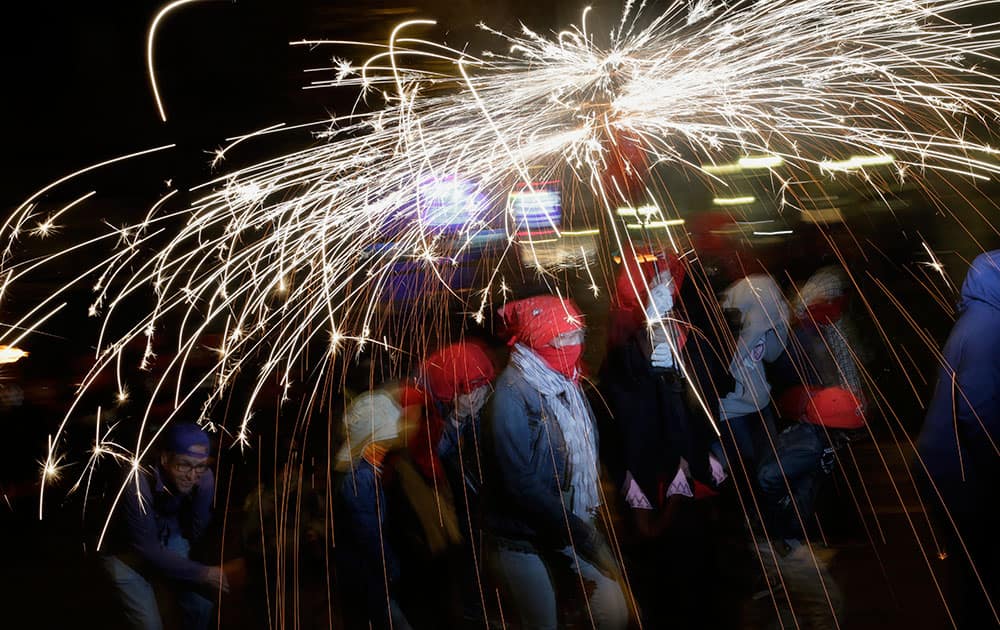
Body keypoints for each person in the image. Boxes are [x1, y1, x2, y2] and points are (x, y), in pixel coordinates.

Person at [484, 294, 628, 630]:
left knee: (612, 611)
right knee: (543, 623)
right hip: (521, 538)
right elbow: (518, 482)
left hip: (568, 523)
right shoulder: (510, 395)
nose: (573, 345)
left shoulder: (568, 381)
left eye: (577, 336)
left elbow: (587, 446)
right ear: (536, 342)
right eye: (562, 339)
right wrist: (582, 534)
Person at [916, 250, 1000, 628]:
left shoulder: (980, 318)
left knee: (975, 568)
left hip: (951, 468)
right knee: (982, 572)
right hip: (958, 472)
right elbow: (975, 411)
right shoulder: (988, 327)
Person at [102, 422, 226, 630]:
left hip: (166, 534)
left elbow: (197, 530)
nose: (192, 475)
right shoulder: (136, 482)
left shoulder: (203, 478)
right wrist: (203, 573)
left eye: (200, 466)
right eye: (183, 464)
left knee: (201, 606)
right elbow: (147, 549)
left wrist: (196, 566)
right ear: (165, 459)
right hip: (123, 551)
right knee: (150, 626)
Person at [333, 386, 413, 630]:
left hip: (369, 575)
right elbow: (369, 534)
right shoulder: (359, 480)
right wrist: (388, 565)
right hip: (368, 577)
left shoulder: (369, 470)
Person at [713, 274, 790, 478]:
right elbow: (725, 366)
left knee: (771, 467)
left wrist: (780, 326)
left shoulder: (764, 314)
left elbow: (772, 355)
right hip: (732, 411)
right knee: (748, 473)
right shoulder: (726, 319)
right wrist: (754, 330)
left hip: (761, 403)